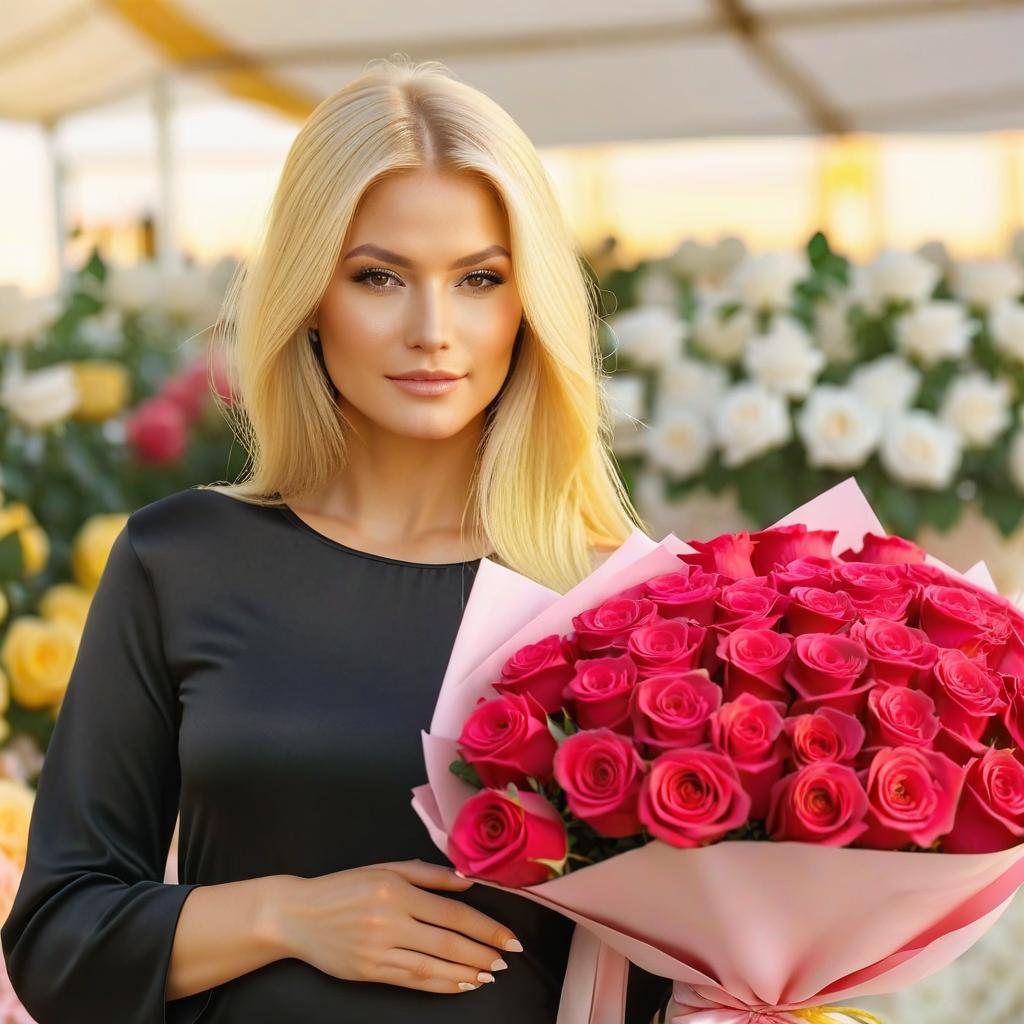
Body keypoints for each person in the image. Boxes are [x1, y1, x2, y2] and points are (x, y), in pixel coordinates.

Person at [0, 56, 672, 1023]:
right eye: (380, 277)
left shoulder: (620, 596)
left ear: (530, 306)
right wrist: (289, 915)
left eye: (479, 277)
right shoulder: (178, 562)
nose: (433, 329)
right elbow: (59, 939)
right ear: (312, 297)